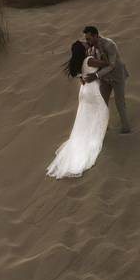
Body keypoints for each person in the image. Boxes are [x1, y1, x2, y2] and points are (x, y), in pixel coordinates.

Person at [46, 40, 111, 178]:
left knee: (86, 116)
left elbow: (81, 76)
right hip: (92, 90)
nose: (87, 43)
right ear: (83, 49)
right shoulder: (88, 60)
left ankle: (89, 135)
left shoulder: (79, 63)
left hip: (83, 92)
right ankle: (96, 136)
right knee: (102, 112)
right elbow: (107, 64)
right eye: (85, 44)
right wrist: (102, 54)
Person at [83, 26, 131, 134]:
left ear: (96, 36)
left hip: (117, 76)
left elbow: (111, 65)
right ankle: (104, 127)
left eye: (89, 38)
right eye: (86, 39)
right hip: (104, 78)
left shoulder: (109, 44)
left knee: (120, 103)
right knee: (101, 102)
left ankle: (126, 127)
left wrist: (96, 75)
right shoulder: (92, 48)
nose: (87, 41)